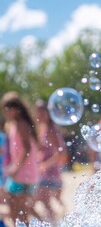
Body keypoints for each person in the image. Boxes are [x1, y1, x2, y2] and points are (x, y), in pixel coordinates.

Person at [0, 91, 41, 226]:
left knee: (19, 211)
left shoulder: (21, 124)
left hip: (23, 175)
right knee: (15, 209)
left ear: (16, 109)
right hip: (21, 174)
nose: (5, 113)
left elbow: (27, 148)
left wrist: (16, 168)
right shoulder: (13, 124)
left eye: (7, 110)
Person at [34, 99, 67, 224]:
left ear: (48, 114)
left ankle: (57, 222)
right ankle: (57, 222)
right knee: (46, 201)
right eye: (38, 113)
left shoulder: (51, 130)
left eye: (43, 113)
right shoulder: (41, 129)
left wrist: (45, 165)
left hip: (50, 172)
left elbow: (60, 153)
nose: (40, 115)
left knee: (44, 200)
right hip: (43, 172)